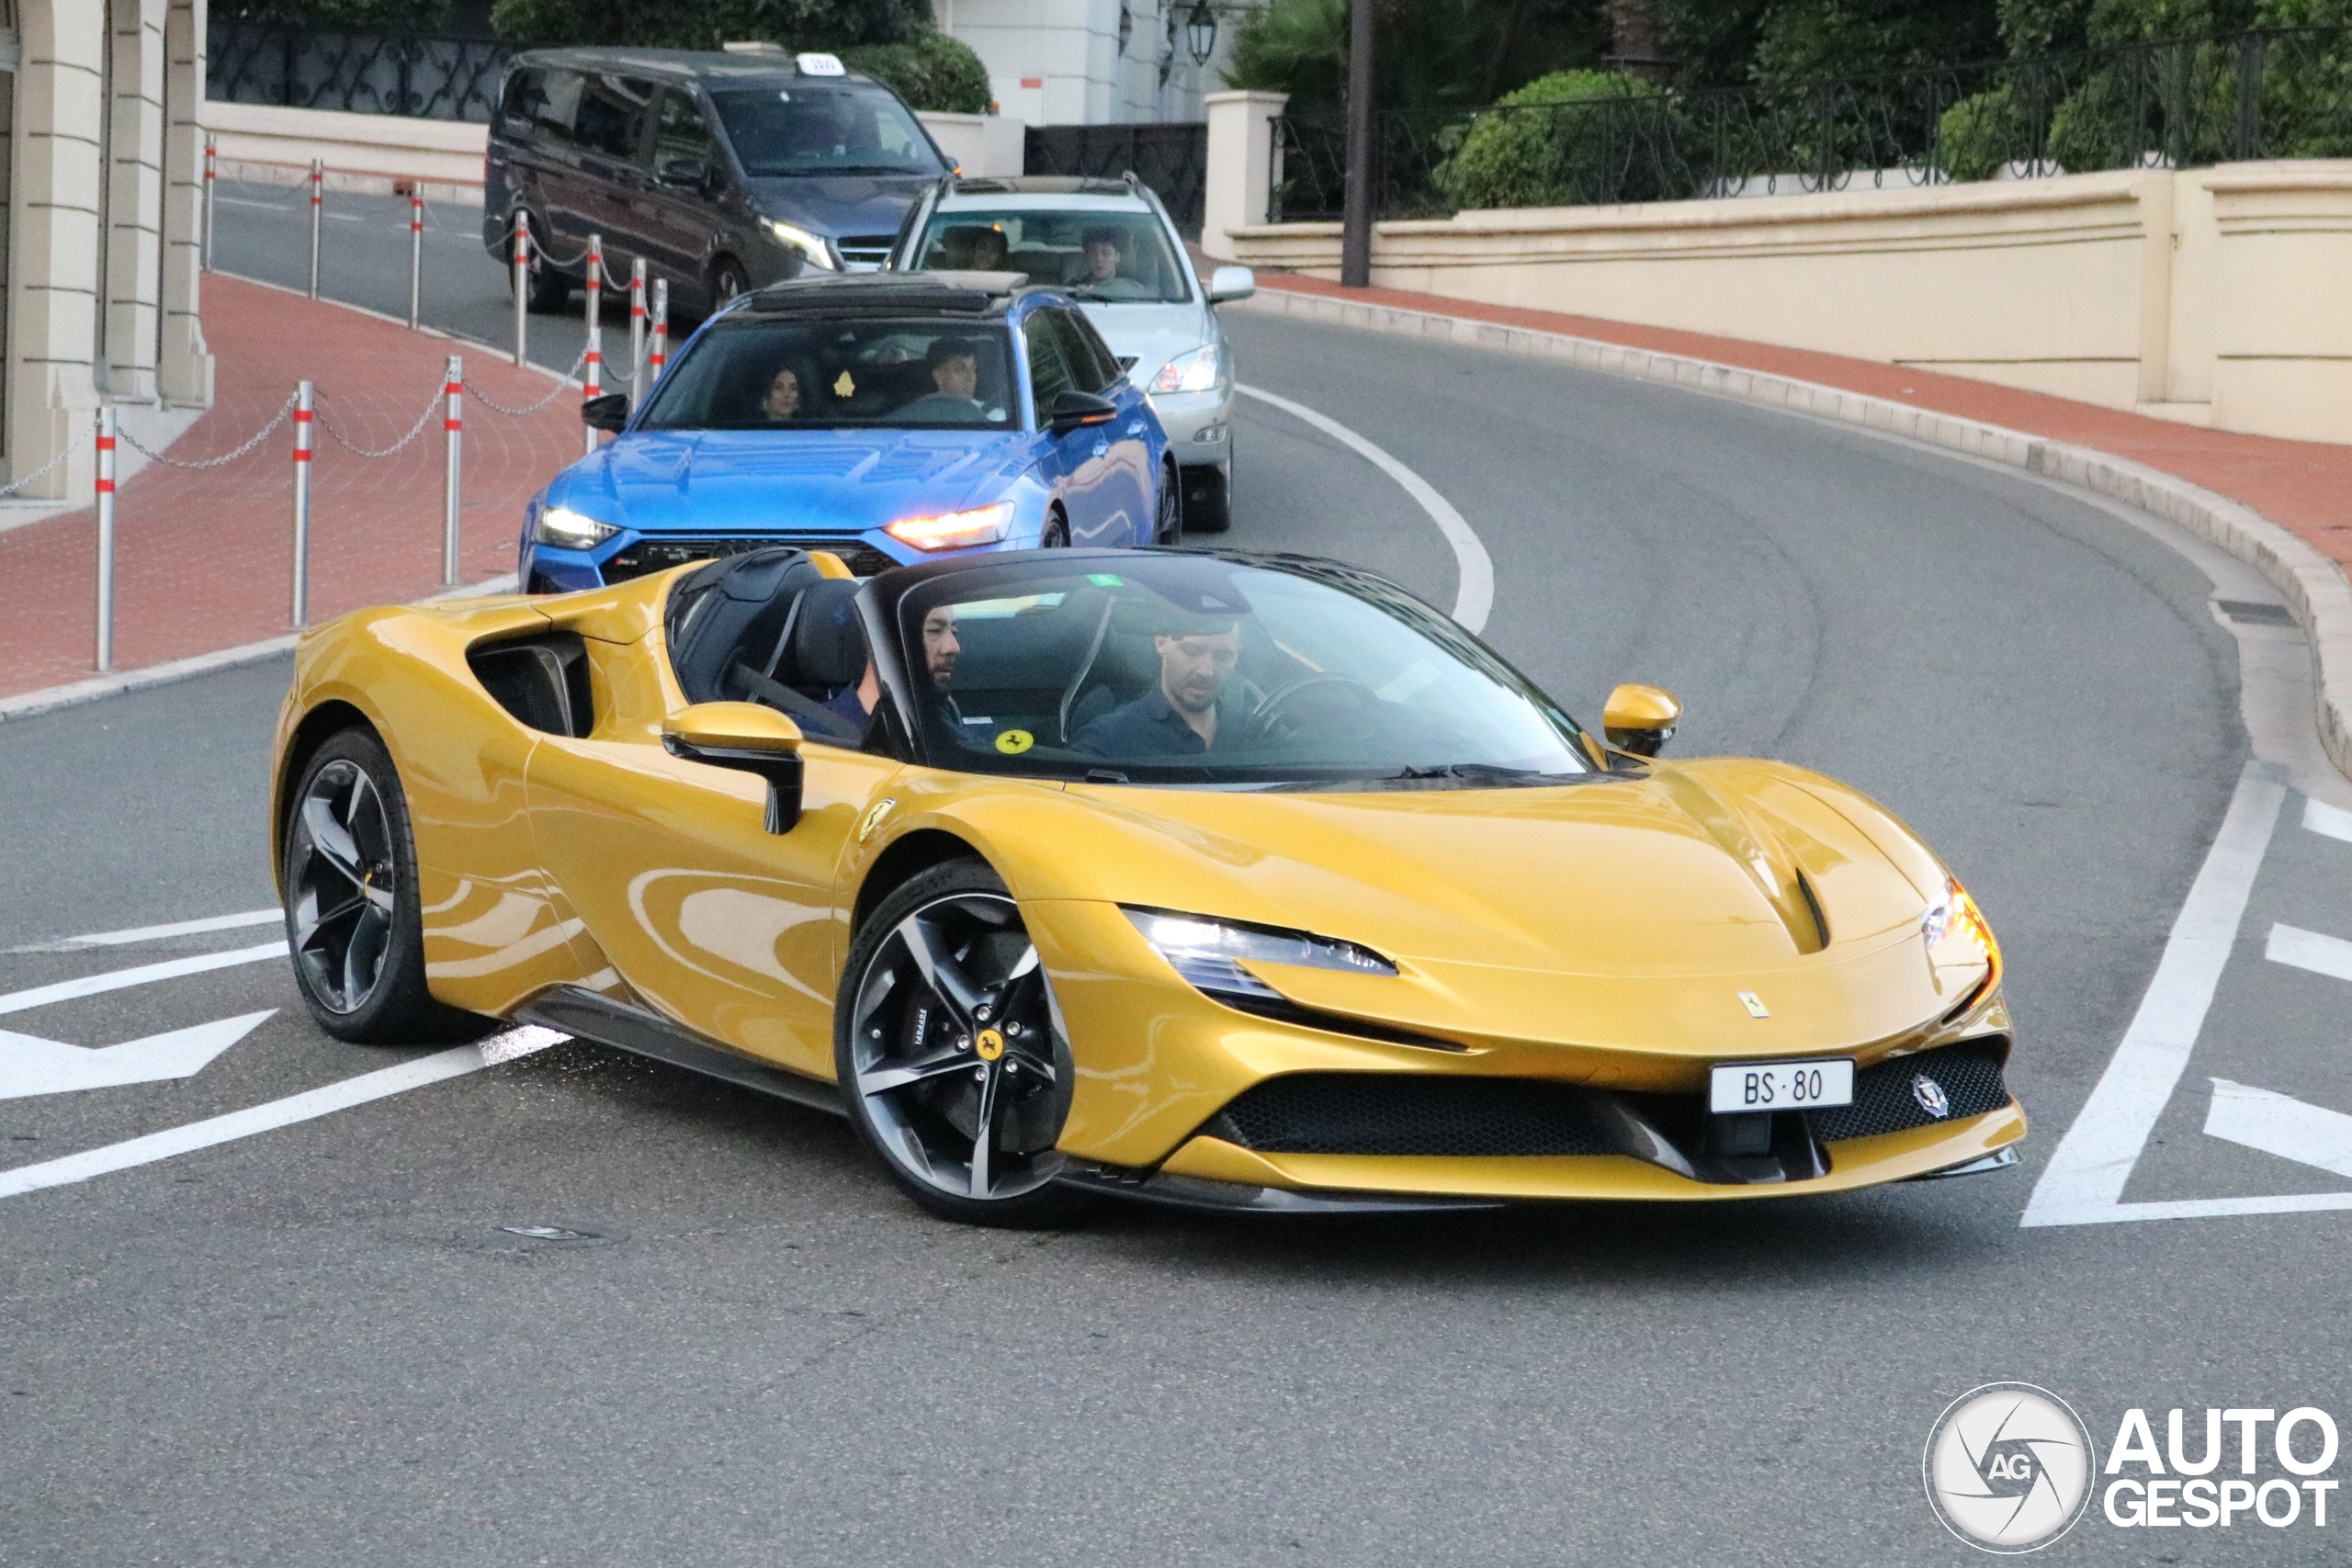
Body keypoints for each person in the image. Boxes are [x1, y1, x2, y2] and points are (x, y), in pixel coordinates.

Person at [1073, 617, 1249, 757]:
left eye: (1223, 656)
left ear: (1237, 655)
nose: (1206, 671)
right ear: (1161, 642)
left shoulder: (1259, 730)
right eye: (1192, 651)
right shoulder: (1108, 742)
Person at [822, 604, 962, 735]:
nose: (954, 647)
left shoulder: (943, 728)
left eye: (954, 631)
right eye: (934, 630)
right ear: (884, 639)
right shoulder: (815, 742)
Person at [893, 337, 988, 423]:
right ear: (937, 376)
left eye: (973, 369)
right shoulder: (972, 416)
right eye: (959, 369)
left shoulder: (897, 416)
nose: (970, 377)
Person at [1074, 225, 1151, 300]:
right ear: (1087, 256)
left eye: (1106, 253)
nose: (1099, 258)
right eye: (1093, 253)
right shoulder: (1073, 287)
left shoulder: (1133, 288)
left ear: (1117, 257)